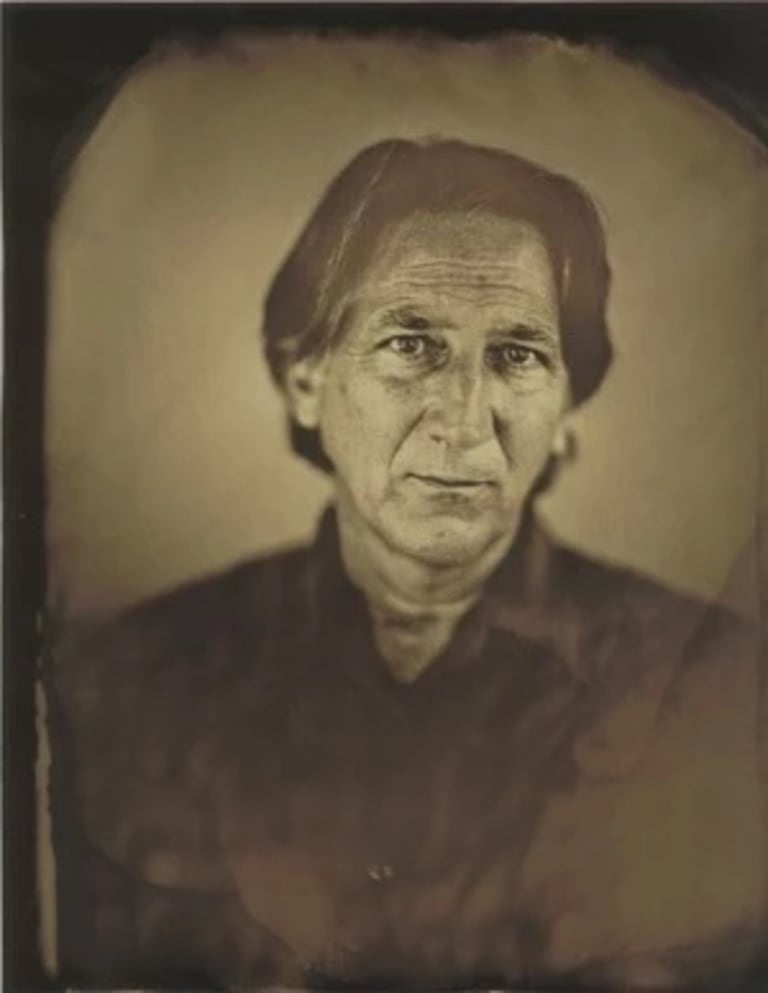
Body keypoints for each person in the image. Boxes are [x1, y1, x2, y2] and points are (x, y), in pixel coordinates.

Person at [49, 138, 766, 990]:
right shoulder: (134, 681)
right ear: (304, 378)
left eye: (518, 355)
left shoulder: (714, 687)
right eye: (411, 344)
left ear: (569, 406)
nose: (463, 422)